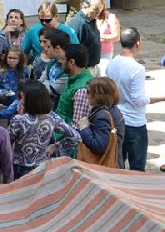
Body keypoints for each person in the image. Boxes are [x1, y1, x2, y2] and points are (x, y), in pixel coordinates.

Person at [106, 28, 165, 171]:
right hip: (134, 122)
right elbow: (138, 100)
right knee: (137, 167)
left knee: (118, 164)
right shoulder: (137, 69)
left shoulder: (112, 63)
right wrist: (161, 98)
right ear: (137, 43)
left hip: (117, 119)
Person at [7, 80, 81, 178]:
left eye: (22, 97)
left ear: (30, 99)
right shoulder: (52, 117)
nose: (21, 100)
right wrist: (55, 146)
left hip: (20, 168)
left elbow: (6, 141)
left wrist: (20, 115)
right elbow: (76, 138)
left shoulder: (19, 120)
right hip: (42, 168)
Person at [77, 77, 126, 169]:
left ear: (99, 95)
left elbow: (98, 146)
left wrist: (84, 128)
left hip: (105, 169)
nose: (86, 94)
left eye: (88, 91)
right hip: (115, 164)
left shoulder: (102, 117)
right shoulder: (112, 109)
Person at [54, 44, 94, 135]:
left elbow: (77, 128)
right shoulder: (73, 79)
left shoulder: (82, 90)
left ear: (71, 62)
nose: (59, 62)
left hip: (66, 142)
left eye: (63, 59)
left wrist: (58, 145)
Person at [67, 0, 102, 70]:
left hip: (94, 67)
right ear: (85, 6)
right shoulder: (78, 23)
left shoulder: (91, 19)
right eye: (95, 9)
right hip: (85, 69)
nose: (98, 12)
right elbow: (73, 49)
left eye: (100, 8)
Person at [94, 0, 120, 76]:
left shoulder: (110, 17)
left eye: (99, 6)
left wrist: (99, 36)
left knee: (103, 74)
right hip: (90, 52)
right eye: (94, 6)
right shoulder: (88, 16)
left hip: (104, 53)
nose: (96, 9)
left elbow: (116, 37)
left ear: (103, 5)